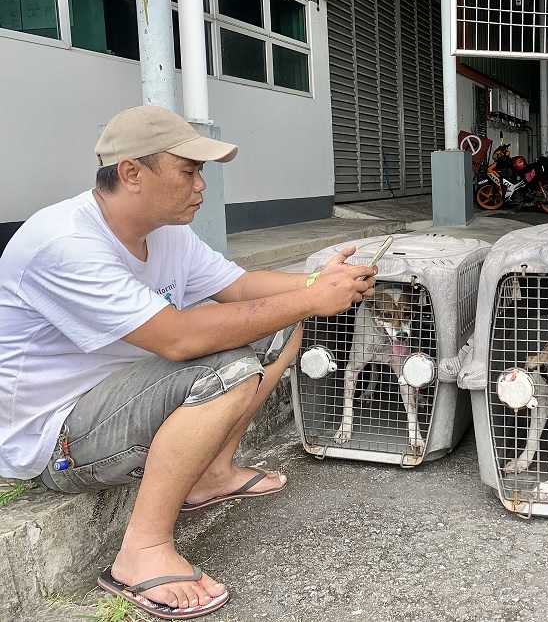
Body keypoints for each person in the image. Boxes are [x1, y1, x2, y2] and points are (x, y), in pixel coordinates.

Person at [0, 105, 376, 619]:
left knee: (285, 320)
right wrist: (312, 297)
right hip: (55, 437)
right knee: (225, 370)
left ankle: (210, 474)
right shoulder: (64, 242)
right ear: (132, 172)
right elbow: (177, 340)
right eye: (189, 171)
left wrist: (322, 283)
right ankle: (141, 551)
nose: (201, 186)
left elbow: (237, 286)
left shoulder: (165, 229)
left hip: (126, 395)